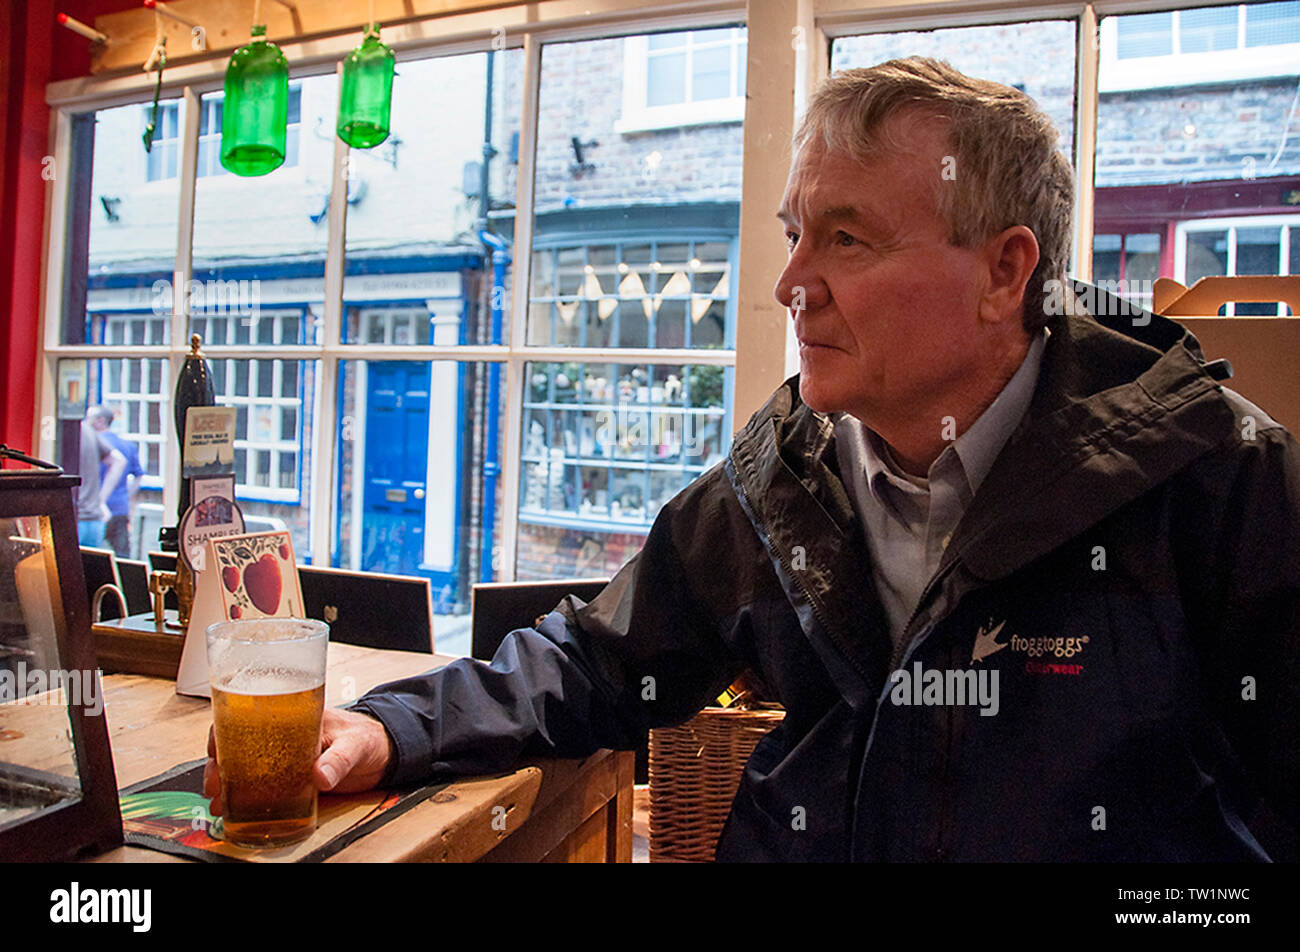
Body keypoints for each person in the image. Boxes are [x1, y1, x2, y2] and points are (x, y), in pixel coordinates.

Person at [206, 58, 1300, 861]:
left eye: (848, 239)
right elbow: (599, 660)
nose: (789, 284)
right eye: (794, 232)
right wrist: (389, 727)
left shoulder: (1217, 479)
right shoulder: (782, 475)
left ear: (1003, 272)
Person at [88, 405, 145, 559]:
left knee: (89, 557)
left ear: (100, 421)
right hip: (120, 507)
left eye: (89, 418)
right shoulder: (128, 446)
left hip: (93, 510)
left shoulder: (92, 443)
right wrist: (127, 496)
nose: (86, 422)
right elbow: (138, 476)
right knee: (122, 558)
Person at [76, 408, 126, 549]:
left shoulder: (66, 429)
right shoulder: (87, 430)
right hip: (93, 520)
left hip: (72, 520)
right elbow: (118, 461)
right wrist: (100, 501)